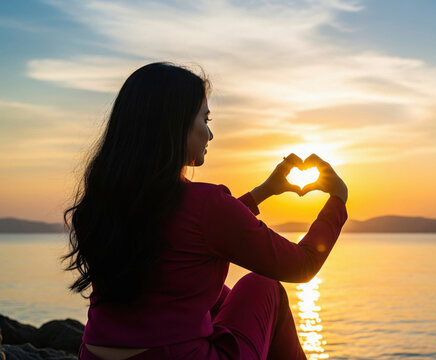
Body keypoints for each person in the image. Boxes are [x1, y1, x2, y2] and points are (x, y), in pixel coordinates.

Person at [61, 62, 348, 360]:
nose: (210, 134)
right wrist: (338, 199)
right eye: (205, 118)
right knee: (262, 285)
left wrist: (265, 191)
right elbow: (302, 265)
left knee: (218, 293)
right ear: (175, 123)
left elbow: (189, 229)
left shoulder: (102, 202)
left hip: (92, 354)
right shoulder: (206, 204)